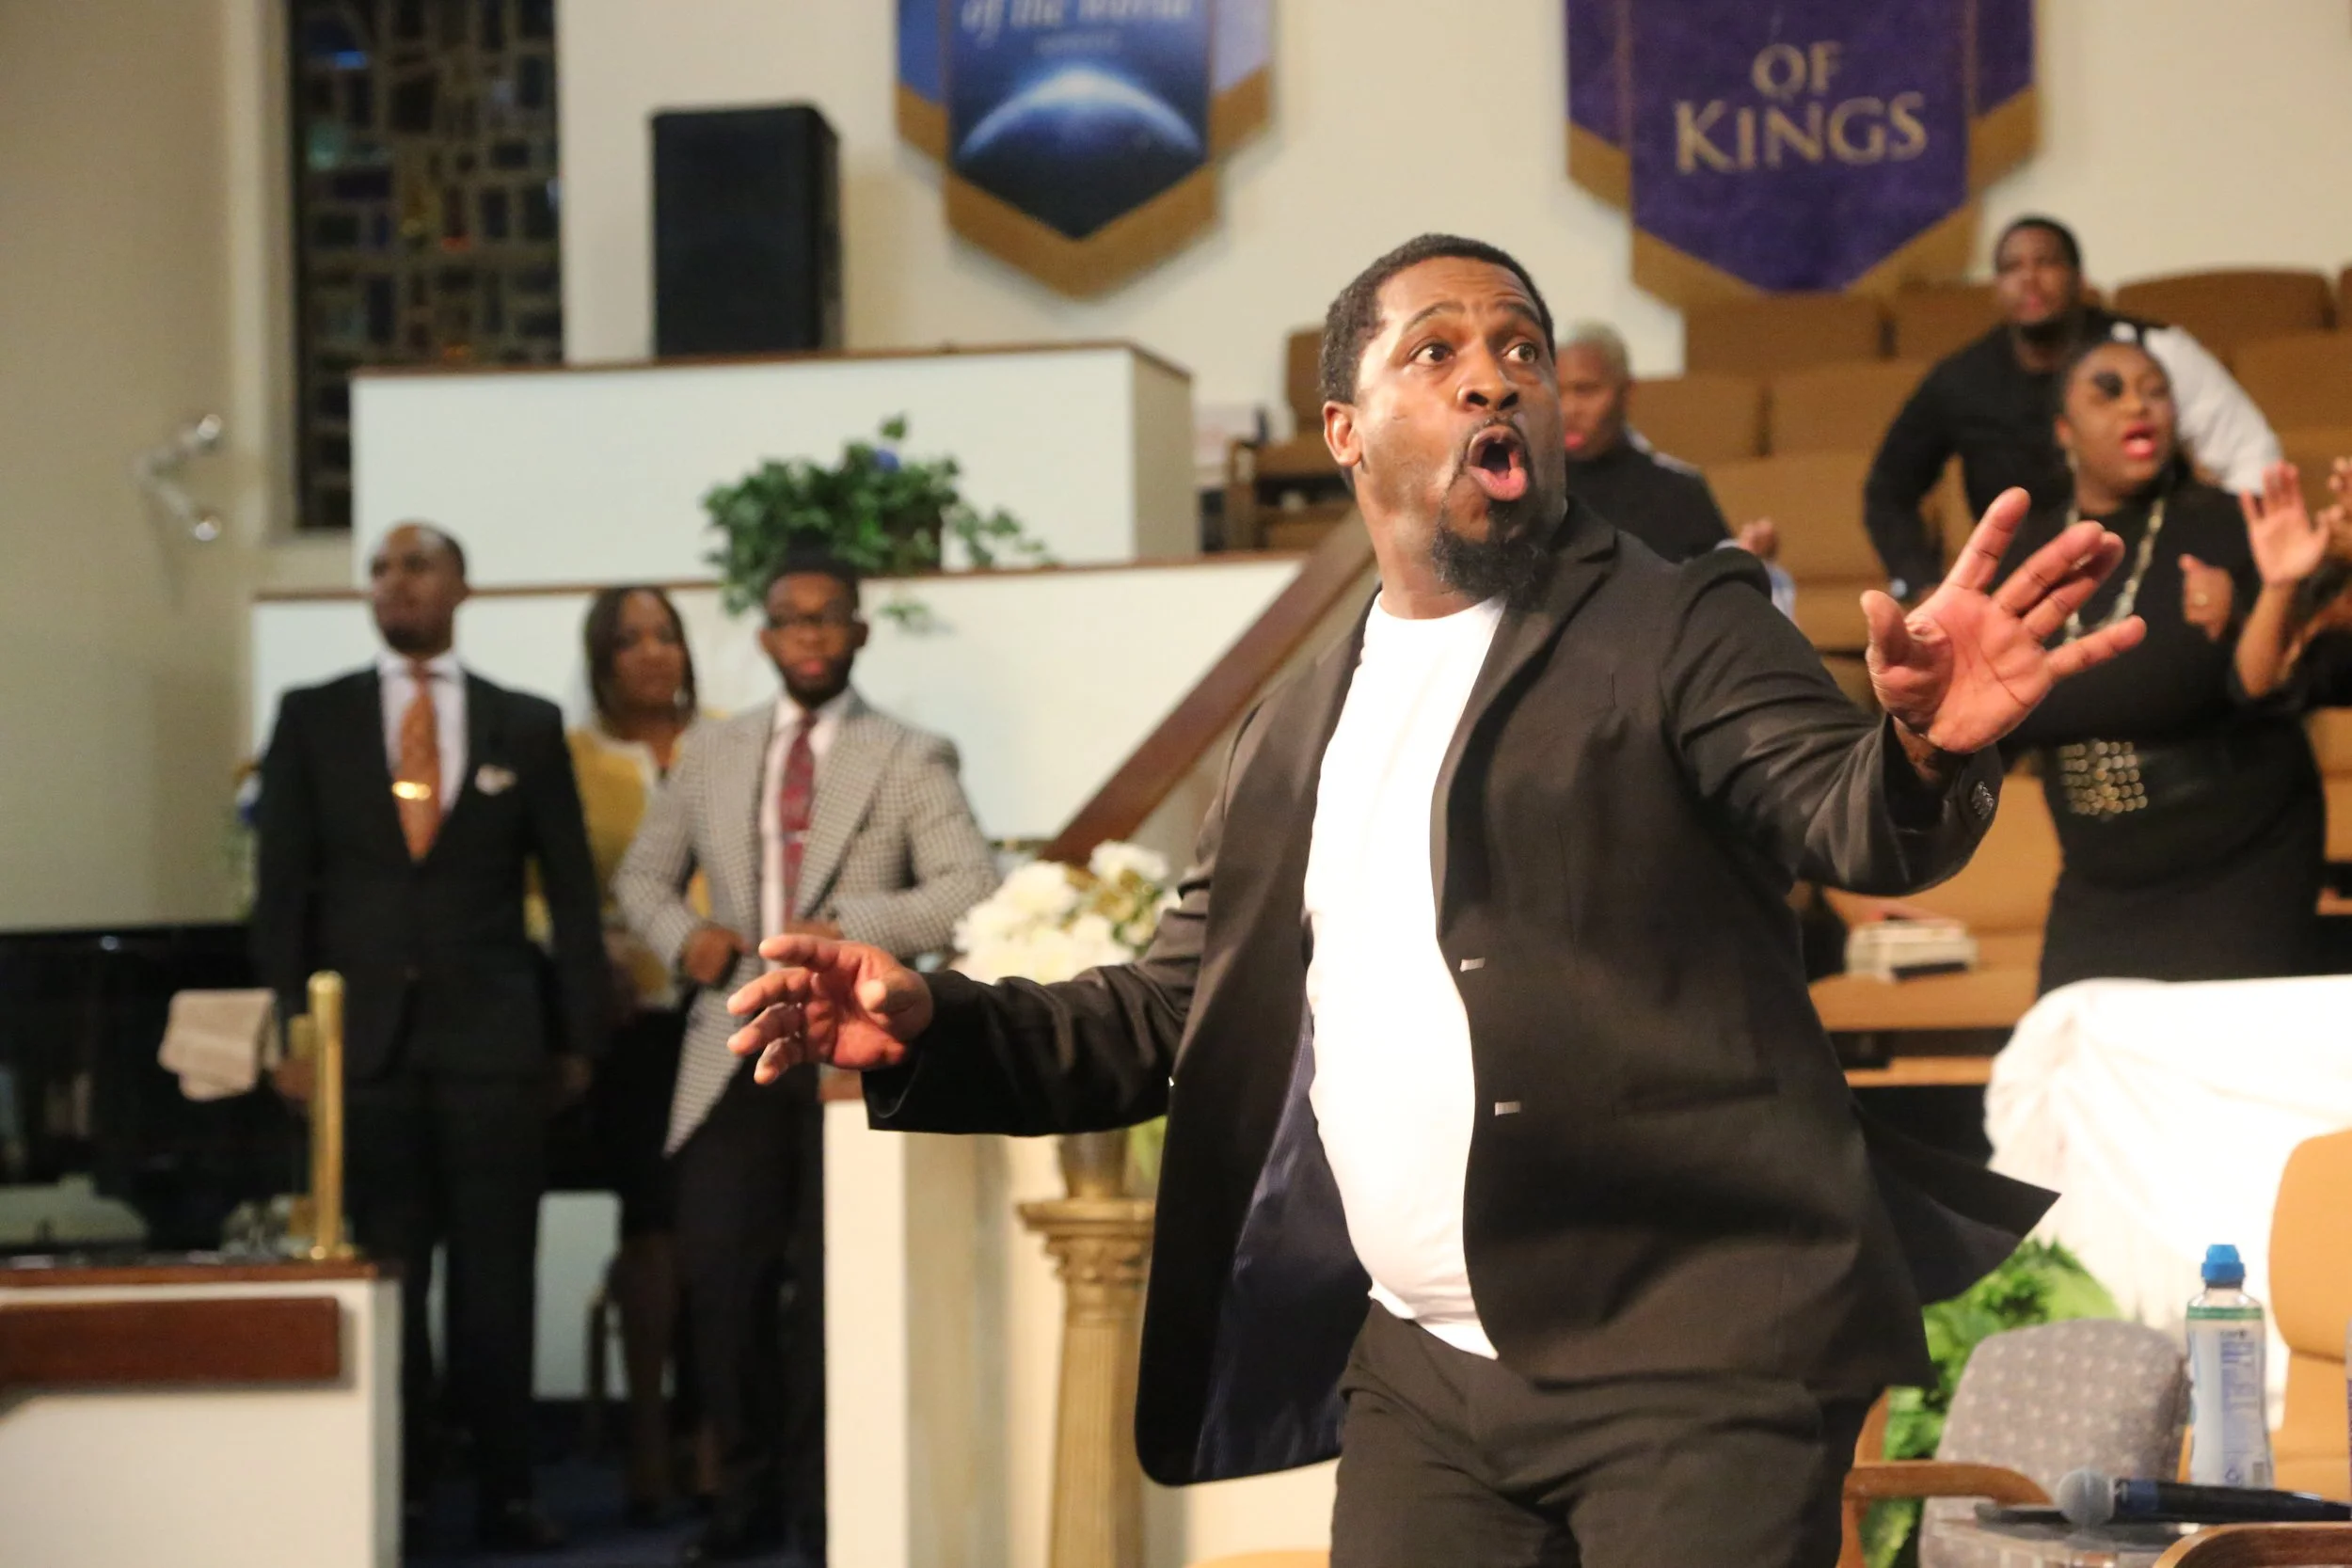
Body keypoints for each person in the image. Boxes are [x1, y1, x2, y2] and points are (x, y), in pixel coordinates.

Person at [721, 235, 2143, 1568]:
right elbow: (1173, 1007)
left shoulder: (1681, 621)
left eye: (1519, 346)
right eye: (1437, 347)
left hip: (1694, 1355)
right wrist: (928, 1025)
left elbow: (1840, 806)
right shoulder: (1292, 724)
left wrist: (1927, 748)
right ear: (1343, 427)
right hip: (1425, 1374)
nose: (1490, 370)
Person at [612, 555, 997, 1566]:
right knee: (723, 1281)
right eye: (790, 620)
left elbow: (969, 885)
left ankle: (833, 1510)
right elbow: (641, 876)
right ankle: (739, 1501)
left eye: (829, 619)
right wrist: (682, 936)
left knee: (838, 1290)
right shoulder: (712, 753)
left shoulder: (910, 753)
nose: (811, 636)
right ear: (766, 636)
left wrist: (852, 925)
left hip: (849, 1056)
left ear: (858, 633)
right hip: (733, 1043)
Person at [253, 522, 606, 1553]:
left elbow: (573, 895)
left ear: (461, 585)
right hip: (359, 1048)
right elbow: (281, 895)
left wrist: (577, 1031)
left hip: (495, 1042)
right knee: (386, 1271)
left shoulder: (523, 723)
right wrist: (288, 1030)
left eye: (416, 564)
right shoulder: (312, 717)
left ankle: (504, 1487)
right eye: (380, 568)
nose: (394, 582)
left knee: (499, 1274)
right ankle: (394, 1485)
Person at [1989, 339, 2324, 992]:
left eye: (2155, 389)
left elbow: (2261, 688)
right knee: (2076, 1066)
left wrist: (2267, 596)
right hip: (2100, 878)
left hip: (2240, 861)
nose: (2137, 403)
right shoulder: (2025, 552)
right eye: (2107, 390)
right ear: (2064, 430)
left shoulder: (2228, 524)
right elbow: (1992, 728)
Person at [1866, 214, 2281, 602]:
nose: (2029, 279)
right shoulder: (1960, 379)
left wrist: (2237, 568)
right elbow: (1888, 490)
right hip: (2021, 584)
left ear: (2080, 278)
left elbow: (2250, 456)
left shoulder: (2152, 349)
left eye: (2046, 263)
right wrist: (1920, 586)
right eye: (2011, 268)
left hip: (2158, 569)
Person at [566, 586, 707, 1525]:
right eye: (629, 640)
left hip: (730, 1017)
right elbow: (537, 887)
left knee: (726, 1234)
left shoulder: (736, 739)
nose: (651, 653)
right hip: (633, 1028)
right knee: (653, 1225)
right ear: (601, 658)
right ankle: (651, 1434)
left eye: (665, 635)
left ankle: (721, 1434)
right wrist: (591, 948)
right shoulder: (570, 759)